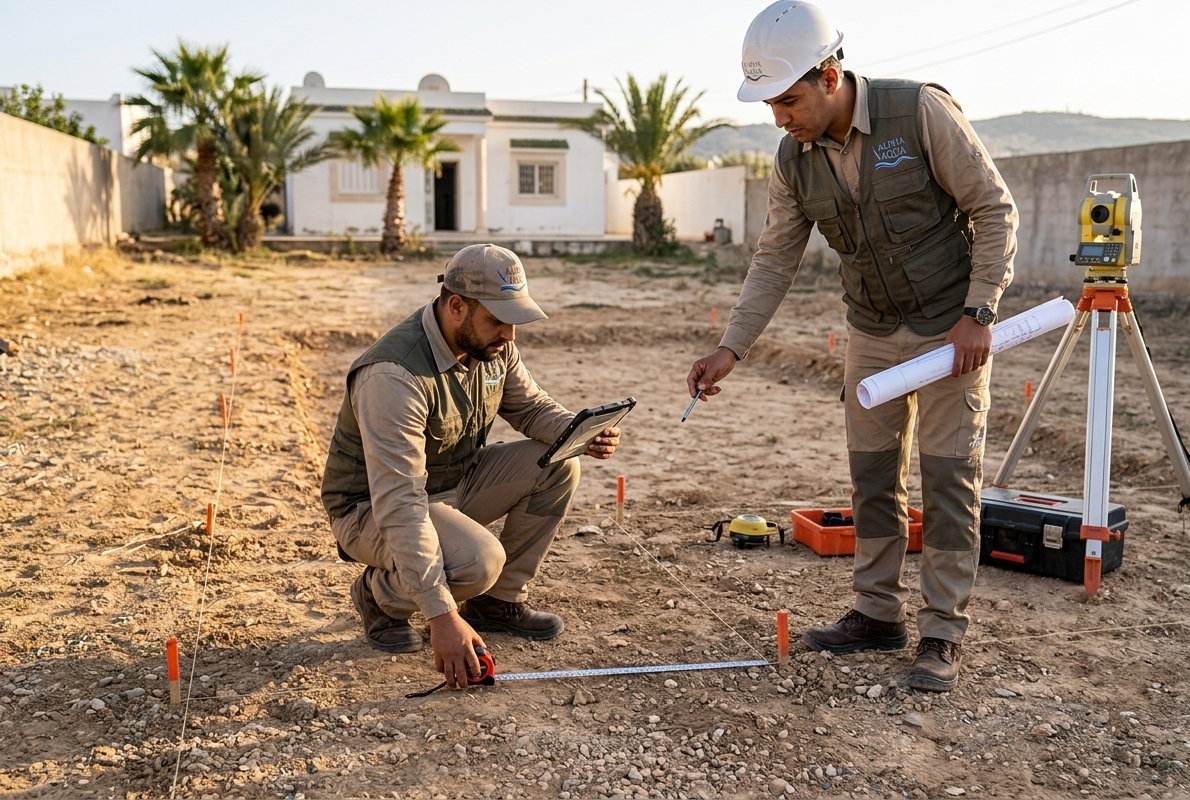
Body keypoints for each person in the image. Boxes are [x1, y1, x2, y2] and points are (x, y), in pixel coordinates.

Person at [688, 1, 1016, 692]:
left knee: (949, 479)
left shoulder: (918, 112)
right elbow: (775, 259)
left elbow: (994, 209)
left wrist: (979, 313)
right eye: (770, 104)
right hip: (870, 329)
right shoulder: (793, 159)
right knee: (873, 474)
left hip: (949, 327)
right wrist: (730, 349)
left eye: (788, 100)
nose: (779, 117)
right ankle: (876, 613)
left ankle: (942, 630)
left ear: (830, 76)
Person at [322, 244, 620, 688]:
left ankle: (496, 602)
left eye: (514, 320)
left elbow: (530, 407)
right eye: (498, 319)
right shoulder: (392, 376)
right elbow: (400, 504)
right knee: (479, 561)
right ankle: (379, 597)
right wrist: (442, 617)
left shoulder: (491, 346)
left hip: (451, 483)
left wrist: (579, 432)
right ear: (457, 306)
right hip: (372, 510)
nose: (509, 334)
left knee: (559, 464)